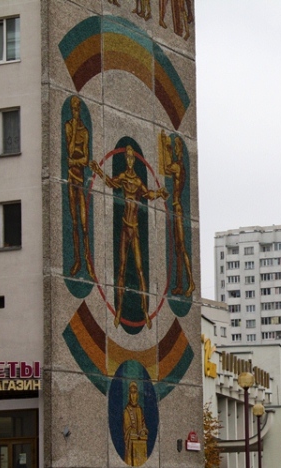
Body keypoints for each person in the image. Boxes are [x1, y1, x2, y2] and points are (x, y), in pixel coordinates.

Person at [91, 145, 168, 328]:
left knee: (140, 270)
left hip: (135, 229)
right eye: (128, 157)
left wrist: (159, 193)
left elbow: (148, 194)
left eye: (133, 157)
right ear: (126, 159)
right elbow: (111, 183)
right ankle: (119, 311)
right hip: (125, 226)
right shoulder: (124, 177)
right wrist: (98, 171)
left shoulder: (138, 181)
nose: (131, 160)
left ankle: (145, 312)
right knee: (122, 268)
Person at [65, 96, 96, 280]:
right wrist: (74, 127)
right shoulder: (69, 127)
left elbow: (84, 159)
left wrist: (74, 161)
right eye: (73, 109)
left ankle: (88, 261)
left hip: (79, 178)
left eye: (77, 108)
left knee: (84, 224)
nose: (75, 112)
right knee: (75, 222)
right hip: (71, 178)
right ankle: (77, 260)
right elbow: (69, 151)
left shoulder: (85, 132)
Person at [161, 133, 194, 297]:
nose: (174, 150)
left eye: (176, 148)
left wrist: (165, 146)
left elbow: (166, 168)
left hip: (178, 208)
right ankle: (180, 284)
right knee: (177, 248)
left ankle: (190, 282)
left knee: (181, 246)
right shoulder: (180, 166)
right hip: (176, 208)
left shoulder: (178, 166)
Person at [123, 381, 148, 466]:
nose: (133, 396)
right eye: (131, 392)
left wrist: (143, 430)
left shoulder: (139, 409)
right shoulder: (126, 411)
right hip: (131, 445)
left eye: (135, 392)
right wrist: (131, 431)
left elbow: (143, 423)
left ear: (137, 394)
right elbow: (127, 429)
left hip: (140, 444)